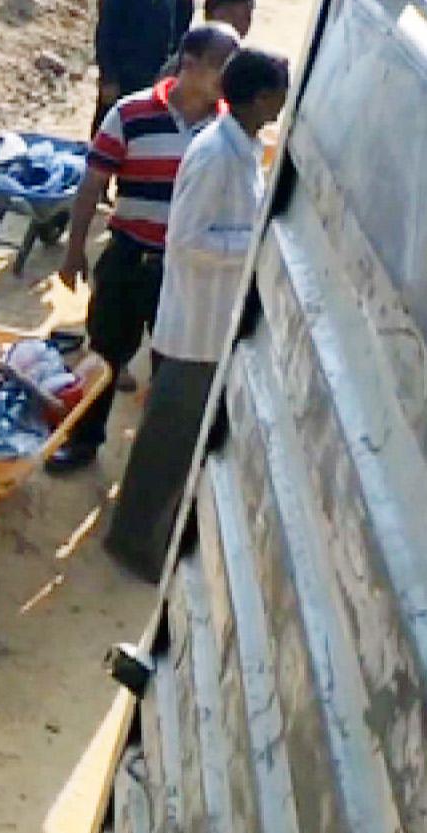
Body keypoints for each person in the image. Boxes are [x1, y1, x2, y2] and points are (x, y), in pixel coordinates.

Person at [104, 48, 288, 581]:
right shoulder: (214, 154)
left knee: (185, 443)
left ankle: (153, 541)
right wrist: (256, 241)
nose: (282, 104)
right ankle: (134, 548)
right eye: (278, 94)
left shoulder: (243, 146)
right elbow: (185, 240)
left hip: (215, 323)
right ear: (258, 97)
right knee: (167, 446)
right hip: (194, 329)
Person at [49, 23, 241, 473]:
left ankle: (154, 469)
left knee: (174, 367)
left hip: (186, 272)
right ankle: (83, 441)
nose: (229, 79)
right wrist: (75, 249)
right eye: (221, 68)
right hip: (130, 259)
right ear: (190, 65)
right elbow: (92, 183)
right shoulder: (131, 113)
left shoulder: (229, 127)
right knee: (105, 355)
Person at [94, 0, 178, 132]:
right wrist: (109, 78)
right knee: (109, 127)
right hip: (122, 75)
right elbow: (104, 36)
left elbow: (169, 33)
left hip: (151, 75)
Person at [157, 0, 256, 80]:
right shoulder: (185, 62)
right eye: (230, 14)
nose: (238, 22)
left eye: (245, 17)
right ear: (209, 14)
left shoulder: (245, 68)